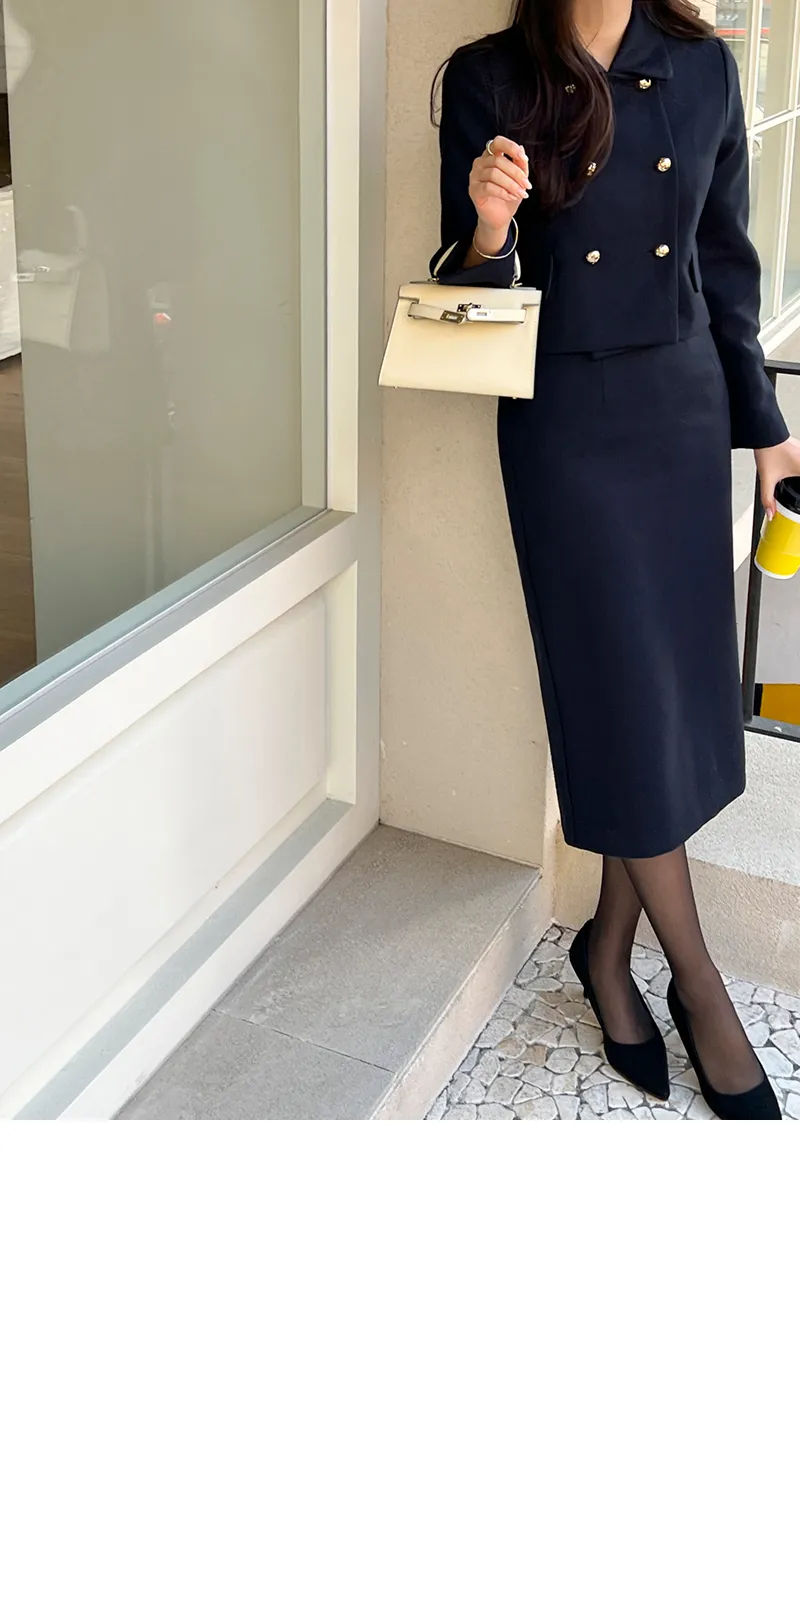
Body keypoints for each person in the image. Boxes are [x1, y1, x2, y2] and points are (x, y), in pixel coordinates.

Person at [430, 0, 797, 1119]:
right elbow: (464, 295)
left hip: (679, 409)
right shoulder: (490, 75)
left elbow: (725, 266)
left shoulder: (700, 68)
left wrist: (766, 431)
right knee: (617, 696)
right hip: (565, 422)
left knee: (664, 697)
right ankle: (698, 984)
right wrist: (490, 228)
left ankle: (605, 945)